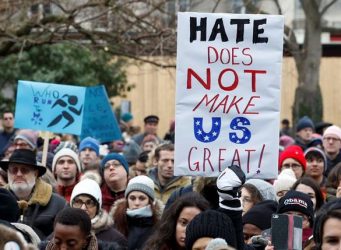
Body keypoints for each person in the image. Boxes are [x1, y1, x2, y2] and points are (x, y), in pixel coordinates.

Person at [0, 149, 67, 239]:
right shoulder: (1, 200)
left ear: (35, 173)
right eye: (14, 170)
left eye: (24, 170)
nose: (19, 174)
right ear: (7, 173)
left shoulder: (59, 204)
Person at [70, 178, 128, 248]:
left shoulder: (115, 240)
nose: (83, 208)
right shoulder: (60, 234)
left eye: (89, 203)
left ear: (98, 207)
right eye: (78, 202)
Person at [110, 175, 163, 250]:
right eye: (132, 198)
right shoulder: (116, 222)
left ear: (150, 201)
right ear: (127, 200)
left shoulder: (160, 227)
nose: (137, 203)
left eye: (142, 198)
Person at [144, 192, 210, 250]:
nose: (187, 230)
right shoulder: (157, 246)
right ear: (174, 222)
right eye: (183, 223)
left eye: (194, 225)